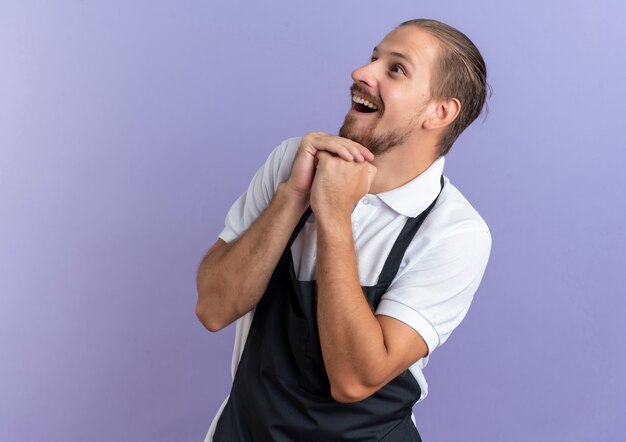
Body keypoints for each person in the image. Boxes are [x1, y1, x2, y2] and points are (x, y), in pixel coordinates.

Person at [196, 18, 492, 442]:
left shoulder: (455, 233)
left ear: (439, 112)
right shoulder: (292, 161)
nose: (361, 73)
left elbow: (355, 380)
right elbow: (213, 307)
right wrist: (294, 196)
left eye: (396, 69)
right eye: (373, 58)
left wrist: (333, 213)